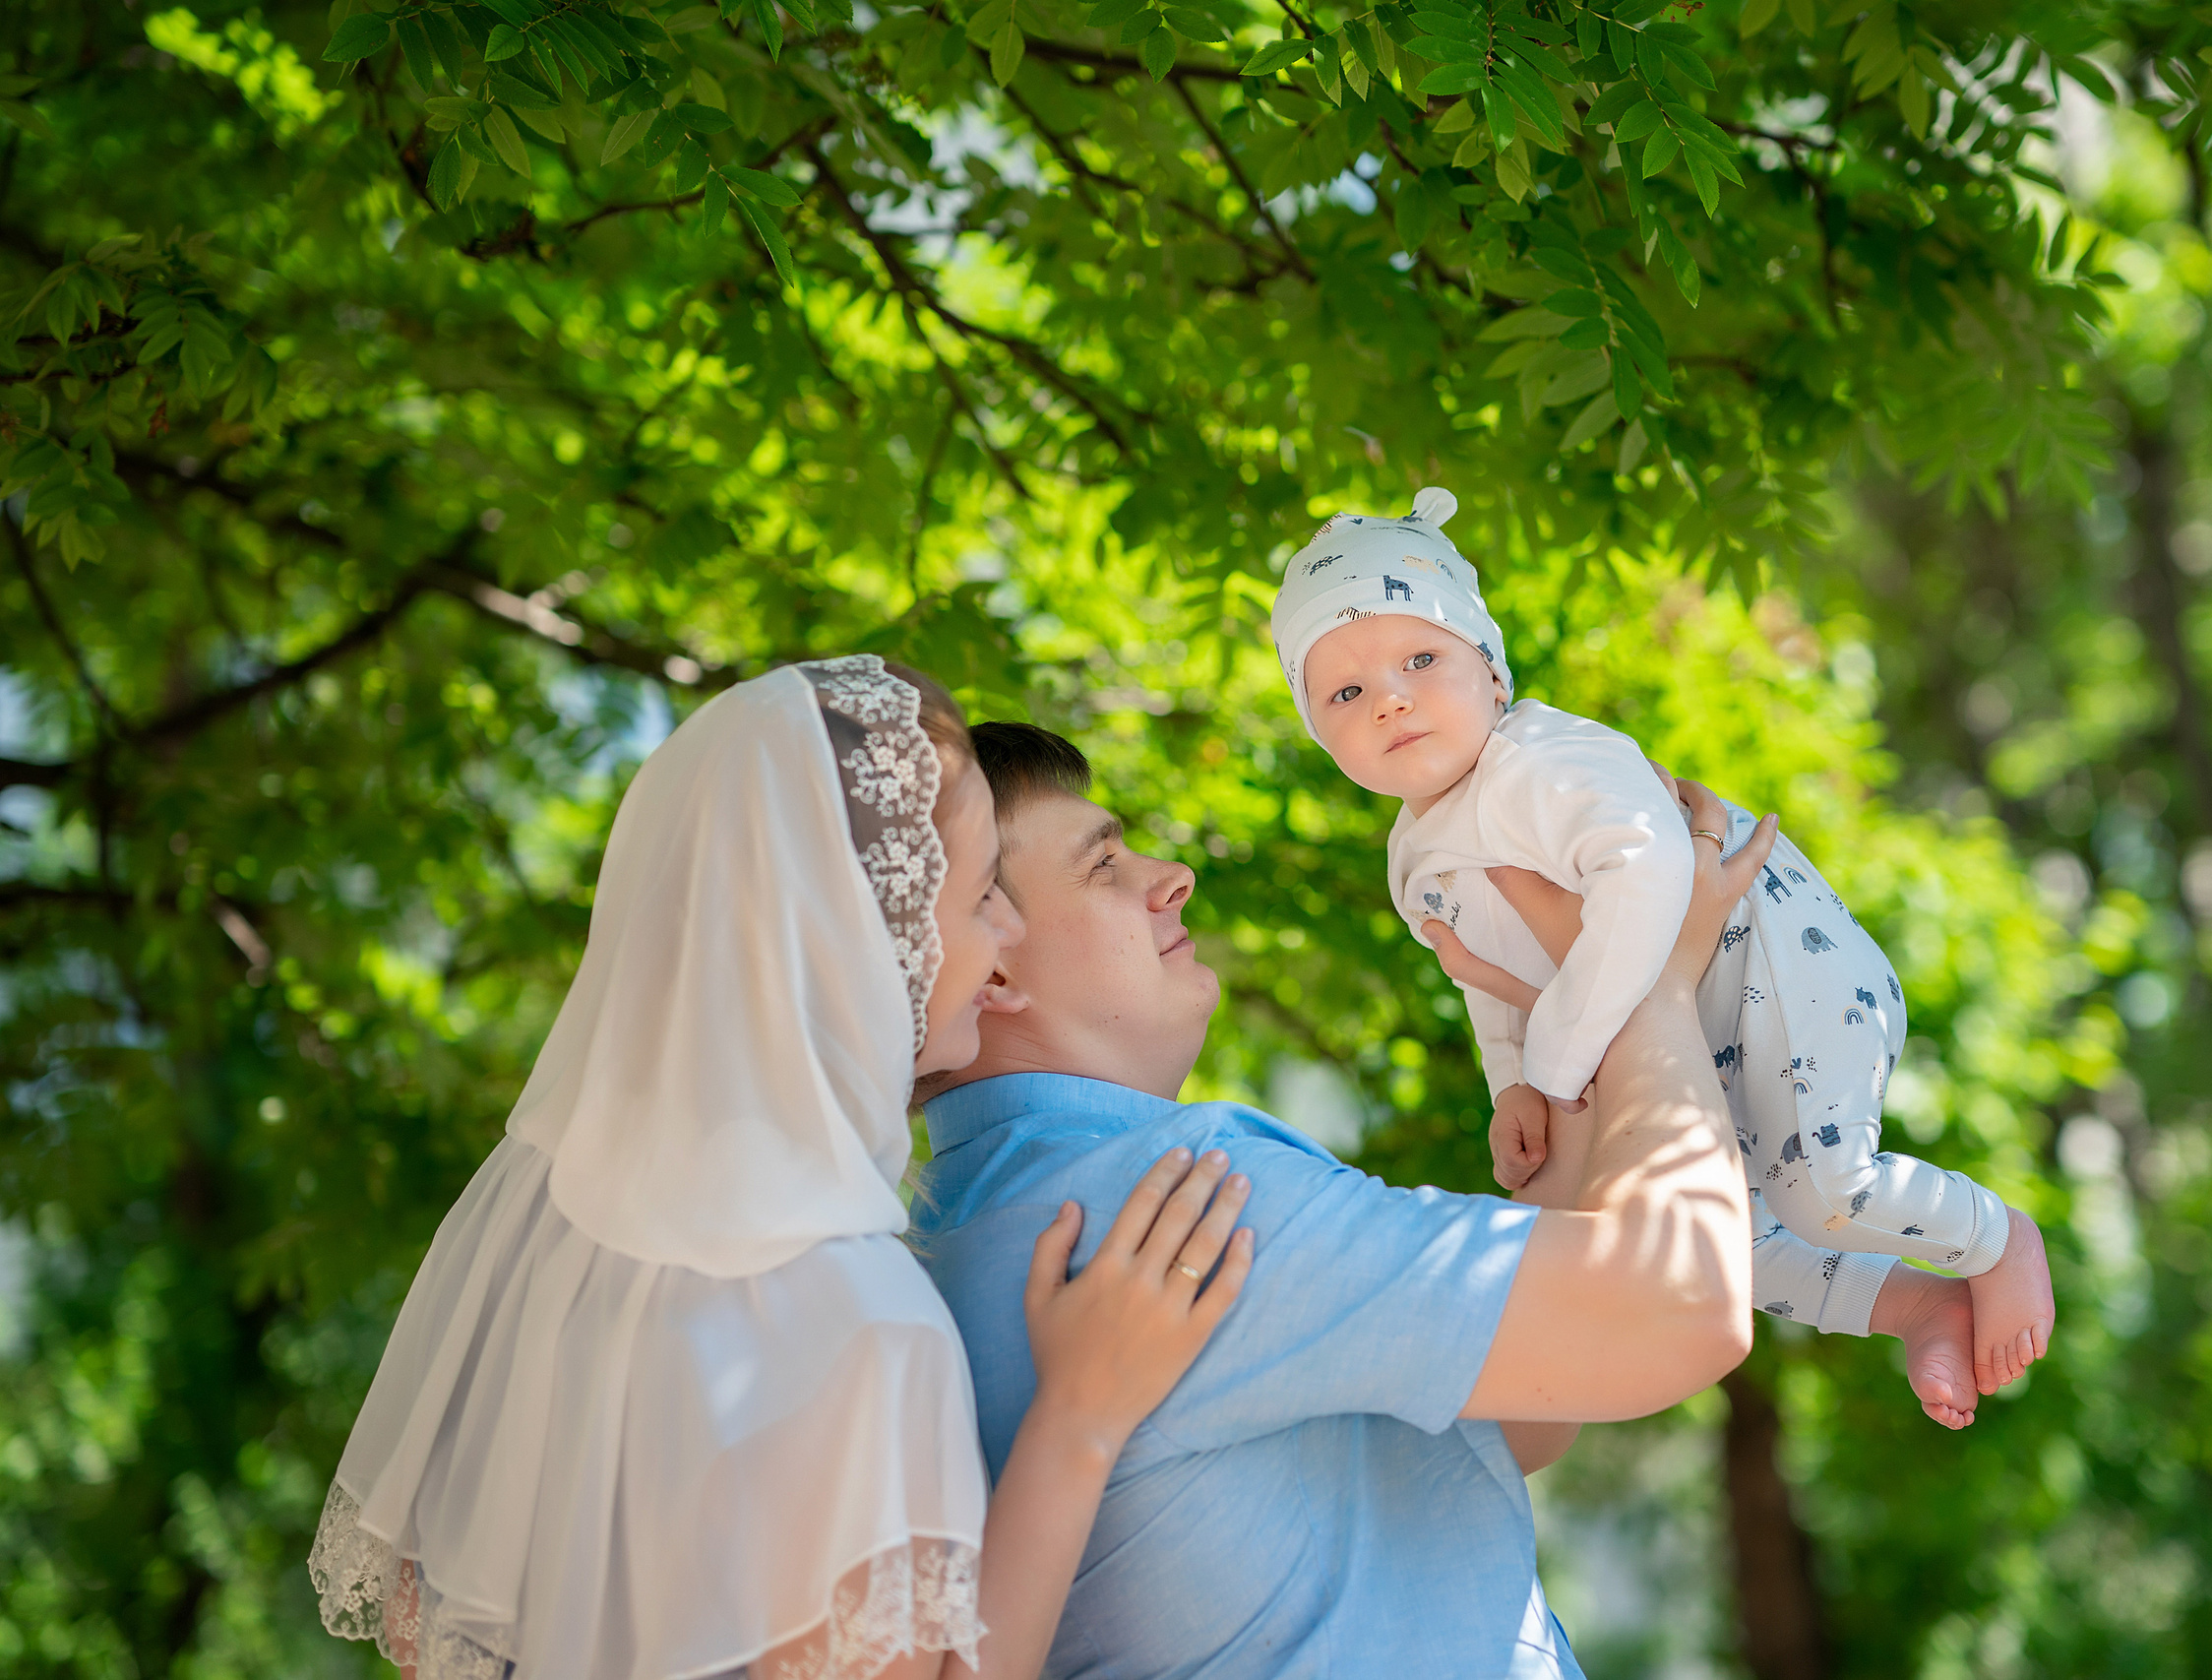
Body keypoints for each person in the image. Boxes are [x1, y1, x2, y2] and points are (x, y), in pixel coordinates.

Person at [911, 719, 1971, 1678]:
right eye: (1104, 864)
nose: (1173, 875)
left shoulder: (958, 1236)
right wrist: (1651, 981)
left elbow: (1521, 1416)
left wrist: (1578, 1047)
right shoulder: (1179, 1198)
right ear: (991, 963)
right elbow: (1681, 1306)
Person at [307, 655, 1252, 1680]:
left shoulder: (545, 1253)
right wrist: (1079, 1419)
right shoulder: (855, 1321)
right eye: (982, 892)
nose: (1007, 931)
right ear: (864, 933)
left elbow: (437, 1638)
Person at [1270, 487, 2055, 1404]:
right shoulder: (1416, 851)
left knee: (1823, 1190)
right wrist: (1513, 1082)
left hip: (1780, 972)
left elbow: (1647, 876)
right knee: (1720, 1241)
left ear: (1492, 672)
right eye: (1346, 692)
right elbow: (1483, 974)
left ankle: (1997, 1236)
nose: (1390, 700)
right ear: (1320, 734)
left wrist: (1558, 1063)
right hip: (1687, 1032)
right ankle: (1918, 1307)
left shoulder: (1540, 762)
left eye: (1420, 658)